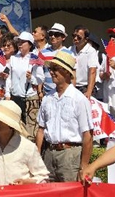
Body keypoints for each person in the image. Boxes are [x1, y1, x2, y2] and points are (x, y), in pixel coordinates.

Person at [36, 51, 93, 182]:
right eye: (51, 68)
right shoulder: (47, 98)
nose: (51, 72)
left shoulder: (79, 100)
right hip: (49, 153)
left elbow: (88, 135)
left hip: (70, 154)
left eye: (56, 69)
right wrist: (37, 157)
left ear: (67, 72)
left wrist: (84, 166)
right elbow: (40, 130)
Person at [9, 31, 44, 138]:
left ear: (29, 44)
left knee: (31, 128)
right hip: (15, 96)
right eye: (19, 41)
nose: (20, 44)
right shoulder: (13, 58)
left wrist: (31, 78)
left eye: (23, 42)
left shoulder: (34, 58)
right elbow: (9, 77)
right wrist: (7, 93)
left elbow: (40, 79)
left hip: (30, 97)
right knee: (16, 126)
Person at [70, 25, 98, 98]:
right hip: (72, 86)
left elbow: (92, 71)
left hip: (85, 87)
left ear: (86, 39)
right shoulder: (69, 50)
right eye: (74, 36)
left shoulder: (91, 51)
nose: (75, 39)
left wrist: (89, 91)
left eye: (79, 37)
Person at [41, 23, 68, 95]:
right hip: (47, 93)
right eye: (51, 34)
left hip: (63, 92)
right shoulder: (43, 52)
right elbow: (40, 73)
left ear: (63, 37)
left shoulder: (69, 53)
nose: (53, 36)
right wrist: (40, 91)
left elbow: (72, 76)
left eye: (56, 34)